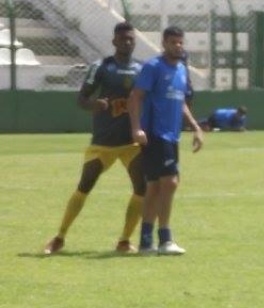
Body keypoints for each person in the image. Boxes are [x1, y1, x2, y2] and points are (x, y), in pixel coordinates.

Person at [43, 22, 146, 255]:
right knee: (84, 186)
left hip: (131, 144)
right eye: (123, 39)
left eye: (131, 39)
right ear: (114, 41)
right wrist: (94, 105)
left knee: (142, 188)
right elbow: (81, 99)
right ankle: (59, 237)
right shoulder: (101, 67)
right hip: (103, 144)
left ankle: (124, 241)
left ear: (134, 41)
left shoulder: (143, 69)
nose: (127, 42)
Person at [128, 26, 204, 255]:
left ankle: (145, 240)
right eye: (173, 42)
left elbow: (180, 102)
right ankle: (165, 239)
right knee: (170, 183)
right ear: (164, 44)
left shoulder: (181, 69)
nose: (178, 46)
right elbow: (135, 97)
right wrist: (136, 128)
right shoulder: (153, 67)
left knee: (153, 187)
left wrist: (195, 126)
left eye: (180, 42)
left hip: (172, 135)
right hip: (155, 134)